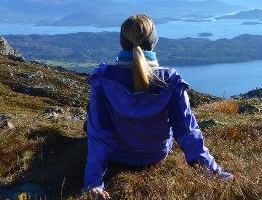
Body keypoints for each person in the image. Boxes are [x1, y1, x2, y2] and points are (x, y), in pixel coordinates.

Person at [83, 14, 233, 198]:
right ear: (154, 42)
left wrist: (93, 183)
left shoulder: (104, 78)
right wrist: (214, 173)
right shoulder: (170, 80)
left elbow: (99, 133)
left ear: (122, 41)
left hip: (117, 154)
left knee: (91, 118)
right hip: (155, 154)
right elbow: (187, 131)